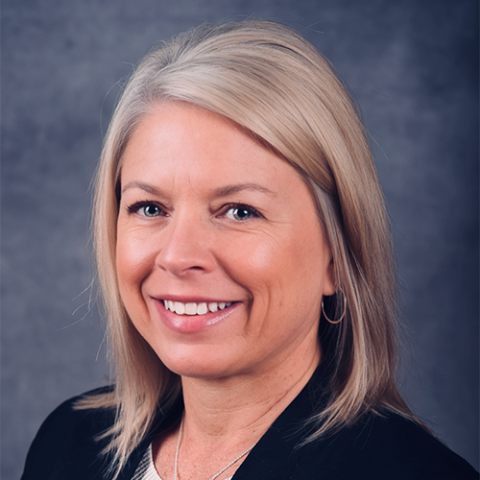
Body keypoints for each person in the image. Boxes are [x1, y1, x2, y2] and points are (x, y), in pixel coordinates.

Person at [21, 20, 479, 480]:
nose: (178, 256)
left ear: (338, 256)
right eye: (150, 207)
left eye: (239, 211)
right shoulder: (68, 444)